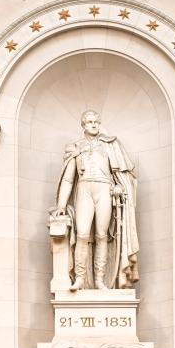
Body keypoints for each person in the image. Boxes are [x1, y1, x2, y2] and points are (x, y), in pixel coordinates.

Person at [51, 110, 139, 291]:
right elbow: (68, 179)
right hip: (85, 188)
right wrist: (61, 205)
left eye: (96, 122)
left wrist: (118, 186)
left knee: (101, 235)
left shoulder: (109, 146)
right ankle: (81, 278)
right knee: (82, 234)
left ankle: (100, 280)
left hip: (104, 188)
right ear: (83, 125)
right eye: (90, 122)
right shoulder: (75, 147)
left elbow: (121, 175)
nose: (93, 125)